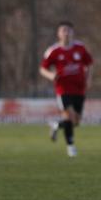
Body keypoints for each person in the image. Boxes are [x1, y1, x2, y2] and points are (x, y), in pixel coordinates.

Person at [39, 21, 93, 157]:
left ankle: (56, 125)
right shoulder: (54, 51)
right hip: (63, 89)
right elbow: (42, 68)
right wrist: (51, 75)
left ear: (72, 32)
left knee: (76, 121)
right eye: (63, 30)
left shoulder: (80, 48)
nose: (66, 33)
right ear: (58, 34)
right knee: (69, 116)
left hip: (79, 89)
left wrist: (89, 78)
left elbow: (90, 64)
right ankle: (71, 147)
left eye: (68, 30)